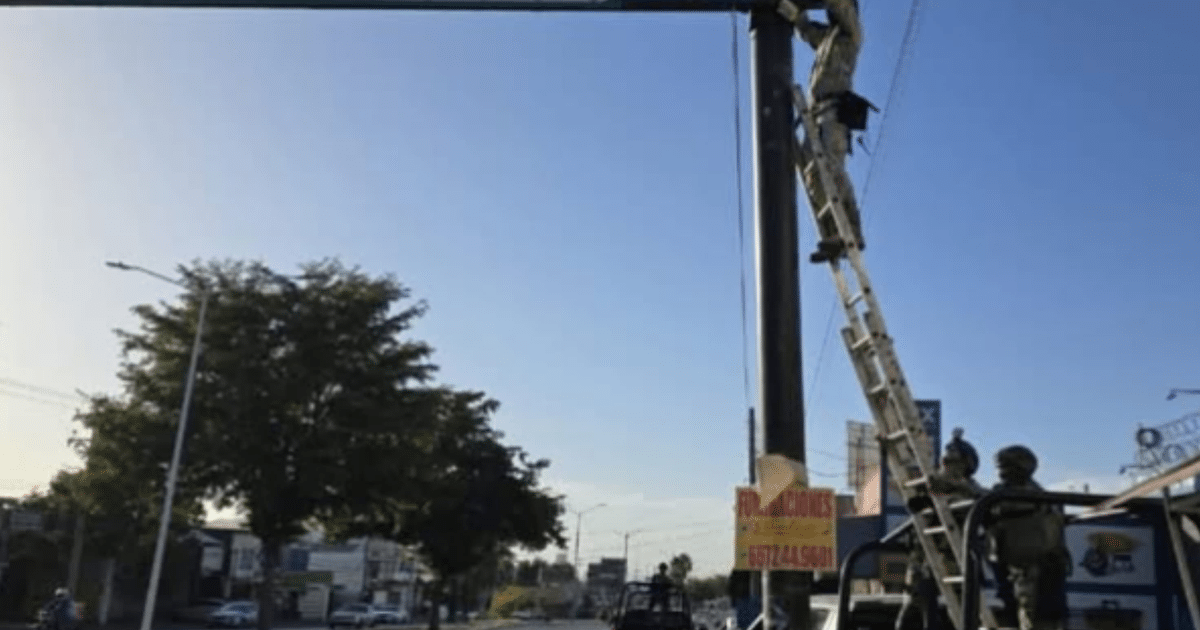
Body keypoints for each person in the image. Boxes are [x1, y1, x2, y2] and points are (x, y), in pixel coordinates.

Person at [795, 0, 876, 263]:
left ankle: (851, 231)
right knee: (812, 173)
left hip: (834, 110)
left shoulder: (852, 33)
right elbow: (806, 30)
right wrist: (796, 15)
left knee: (832, 167)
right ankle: (833, 235)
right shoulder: (829, 38)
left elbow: (840, 5)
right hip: (816, 112)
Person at [895, 429, 984, 630]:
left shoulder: (971, 490)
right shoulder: (931, 483)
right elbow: (912, 492)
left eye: (954, 462)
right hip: (924, 557)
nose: (947, 466)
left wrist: (942, 498)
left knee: (965, 611)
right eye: (946, 460)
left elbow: (970, 503)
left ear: (966, 465)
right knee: (914, 611)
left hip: (955, 558)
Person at [986, 446, 1071, 630]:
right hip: (1012, 570)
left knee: (1039, 620)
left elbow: (997, 506)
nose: (1002, 472)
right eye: (1000, 467)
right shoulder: (1002, 493)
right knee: (1012, 617)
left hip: (1035, 572)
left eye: (1007, 467)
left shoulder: (1030, 496)